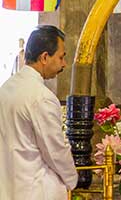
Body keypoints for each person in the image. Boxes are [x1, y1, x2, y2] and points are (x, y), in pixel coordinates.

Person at [0, 25, 78, 199]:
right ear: (44, 57)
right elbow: (55, 151)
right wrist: (73, 180)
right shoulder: (42, 98)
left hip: (8, 188)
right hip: (36, 190)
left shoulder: (5, 89)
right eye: (61, 57)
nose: (64, 63)